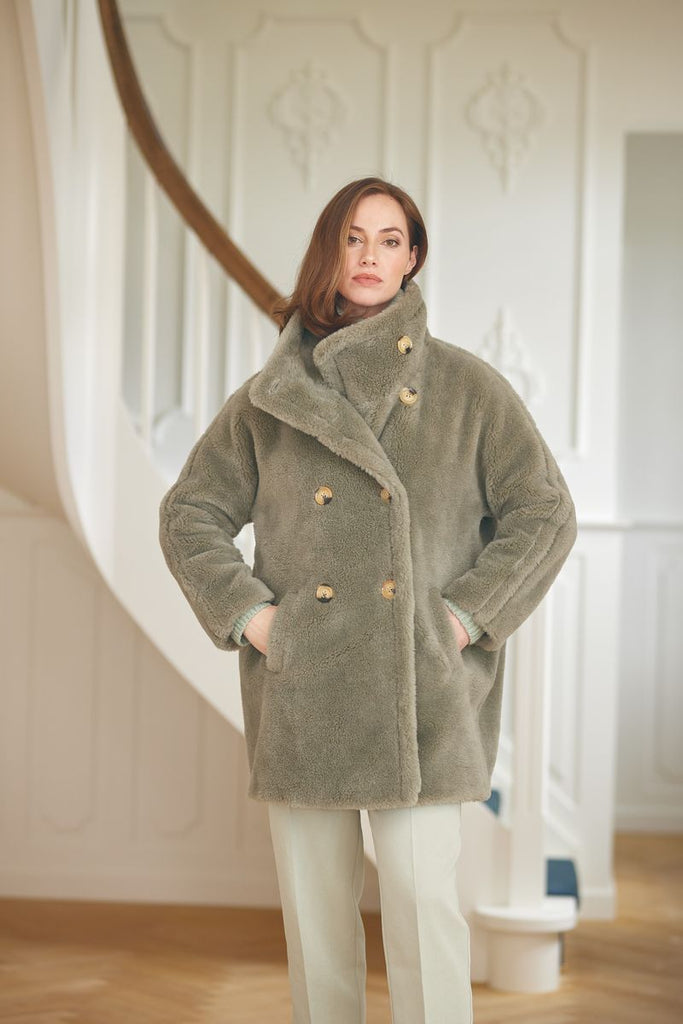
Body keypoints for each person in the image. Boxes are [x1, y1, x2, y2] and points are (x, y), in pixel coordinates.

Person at [158, 177, 577, 1024]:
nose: (370, 257)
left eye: (390, 240)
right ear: (329, 250)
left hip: (420, 692)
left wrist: (460, 618)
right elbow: (189, 514)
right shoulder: (269, 400)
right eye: (354, 238)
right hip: (304, 691)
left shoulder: (465, 388)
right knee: (316, 926)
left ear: (412, 257)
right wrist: (255, 620)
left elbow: (544, 513)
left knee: (425, 913)